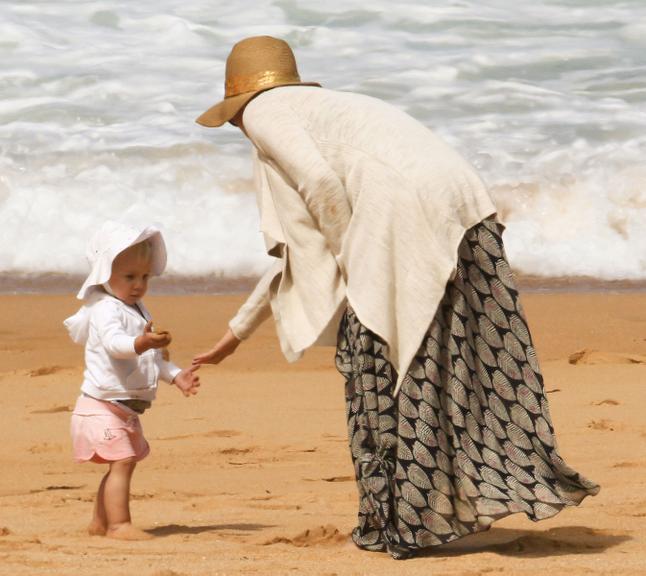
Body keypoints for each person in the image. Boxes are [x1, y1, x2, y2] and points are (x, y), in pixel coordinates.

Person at [193, 36, 599, 559]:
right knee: (451, 366)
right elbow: (295, 256)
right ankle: (421, 512)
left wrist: (352, 262)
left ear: (238, 106)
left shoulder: (267, 111)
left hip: (405, 216)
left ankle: (403, 521)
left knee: (379, 367)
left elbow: (319, 184)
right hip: (465, 208)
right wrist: (235, 334)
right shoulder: (324, 109)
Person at [64, 221, 200, 540]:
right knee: (122, 461)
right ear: (104, 273)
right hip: (101, 406)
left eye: (144, 277)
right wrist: (141, 343)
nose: (138, 284)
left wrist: (176, 375)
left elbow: (150, 360)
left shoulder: (136, 308)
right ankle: (118, 525)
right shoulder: (104, 310)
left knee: (122, 464)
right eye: (129, 277)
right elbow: (116, 345)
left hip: (124, 410)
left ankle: (100, 522)